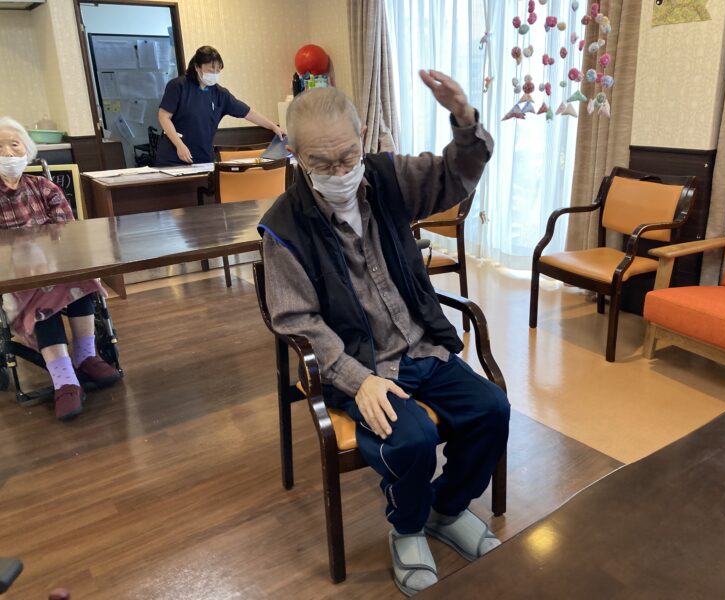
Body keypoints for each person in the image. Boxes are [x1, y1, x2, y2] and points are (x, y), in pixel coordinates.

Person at [258, 73, 510, 596]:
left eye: (348, 157)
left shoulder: (389, 177)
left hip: (421, 346)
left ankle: (445, 510)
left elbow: (456, 174)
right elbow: (297, 321)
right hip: (360, 364)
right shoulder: (284, 225)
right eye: (322, 163)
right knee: (412, 439)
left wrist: (464, 119)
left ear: (363, 136)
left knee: (492, 409)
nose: (340, 172)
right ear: (295, 155)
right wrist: (358, 380)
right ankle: (408, 528)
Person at [0, 117, 121, 421]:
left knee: (78, 274)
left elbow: (69, 234)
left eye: (14, 145)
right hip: (15, 280)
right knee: (44, 289)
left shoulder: (44, 187)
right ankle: (64, 378)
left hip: (53, 267)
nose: (8, 153)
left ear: (27, 150)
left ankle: (86, 355)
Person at [155, 45, 286, 167]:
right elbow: (164, 117)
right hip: (173, 157)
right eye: (210, 68)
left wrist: (273, 127)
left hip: (203, 158)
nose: (214, 73)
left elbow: (248, 112)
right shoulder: (178, 86)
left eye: (218, 70)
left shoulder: (220, 94)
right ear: (197, 67)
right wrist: (179, 145)